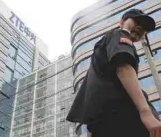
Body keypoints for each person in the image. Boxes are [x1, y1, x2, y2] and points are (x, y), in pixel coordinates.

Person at [66, 9, 161, 137]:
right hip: (124, 119)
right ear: (121, 22)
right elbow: (123, 67)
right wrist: (146, 112)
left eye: (143, 27)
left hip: (108, 122)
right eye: (136, 21)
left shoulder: (106, 47)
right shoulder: (119, 34)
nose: (140, 27)